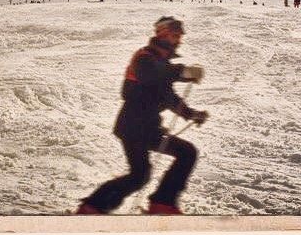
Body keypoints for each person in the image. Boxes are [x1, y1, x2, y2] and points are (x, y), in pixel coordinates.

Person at [77, 16, 208, 215]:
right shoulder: (144, 57)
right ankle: (158, 204)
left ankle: (98, 206)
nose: (178, 40)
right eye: (174, 35)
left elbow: (169, 98)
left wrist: (191, 114)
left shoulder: (161, 62)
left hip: (147, 128)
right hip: (133, 127)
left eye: (179, 36)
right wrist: (183, 71)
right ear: (162, 34)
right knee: (160, 165)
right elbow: (150, 74)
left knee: (151, 170)